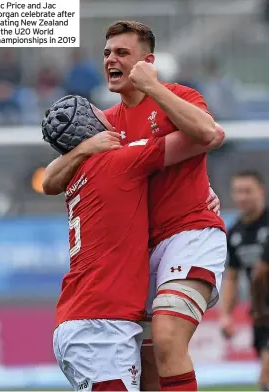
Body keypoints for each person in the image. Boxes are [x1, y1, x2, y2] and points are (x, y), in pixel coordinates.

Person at [43, 21, 227, 392]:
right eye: (108, 53)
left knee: (168, 337)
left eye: (122, 53)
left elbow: (210, 134)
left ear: (148, 61)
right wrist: (83, 149)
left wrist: (153, 87)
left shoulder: (178, 95)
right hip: (144, 250)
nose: (111, 59)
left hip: (189, 231)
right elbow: (49, 181)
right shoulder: (105, 123)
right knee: (147, 362)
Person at [221, 170, 269, 391]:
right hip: (261, 312)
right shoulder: (235, 232)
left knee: (267, 372)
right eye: (238, 191)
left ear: (261, 191)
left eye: (247, 191)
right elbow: (232, 277)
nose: (242, 197)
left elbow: (261, 271)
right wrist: (227, 315)